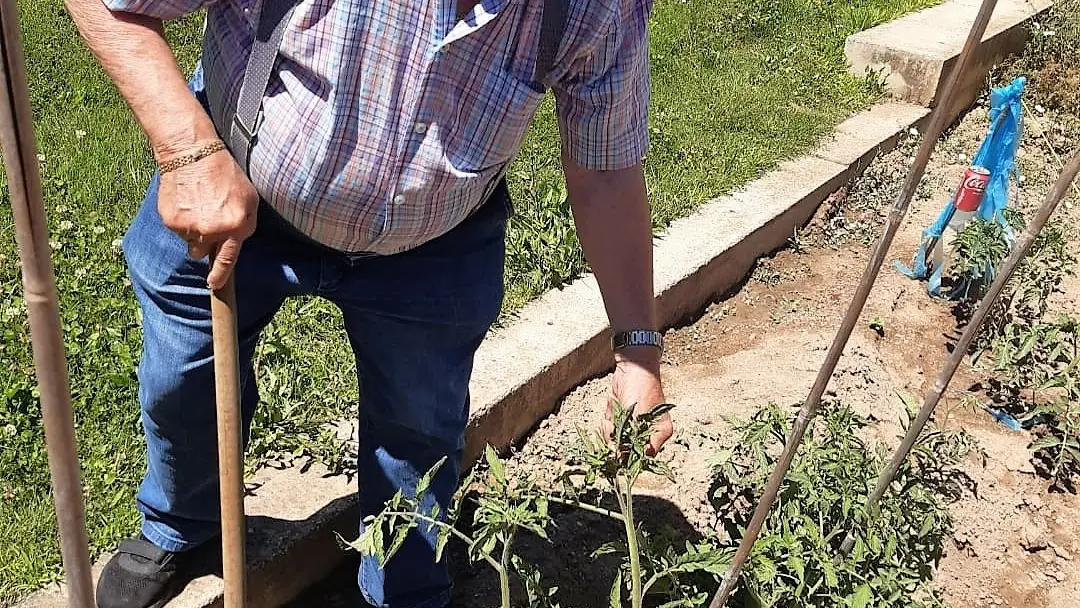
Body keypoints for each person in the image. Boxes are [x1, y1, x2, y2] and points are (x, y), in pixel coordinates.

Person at [65, 0, 672, 606]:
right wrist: (187, 151)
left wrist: (639, 353)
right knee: (184, 379)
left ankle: (403, 592)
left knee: (417, 435)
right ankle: (184, 522)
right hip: (235, 192)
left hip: (435, 244)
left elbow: (606, 172)